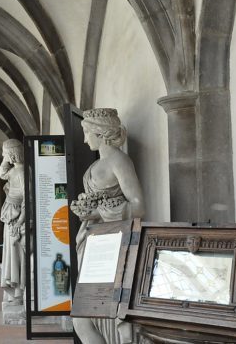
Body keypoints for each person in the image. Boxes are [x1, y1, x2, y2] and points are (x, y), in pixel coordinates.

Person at [70, 108, 144, 344]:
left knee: (98, 316)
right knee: (82, 318)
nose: (84, 139)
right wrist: (86, 212)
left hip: (112, 244)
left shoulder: (119, 161)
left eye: (86, 132)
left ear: (100, 134)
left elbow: (139, 206)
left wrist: (98, 212)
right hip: (94, 241)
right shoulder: (100, 163)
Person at [0, 139, 26, 305]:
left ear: (12, 154)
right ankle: (14, 289)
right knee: (10, 254)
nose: (3, 155)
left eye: (5, 152)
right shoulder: (15, 170)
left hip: (16, 218)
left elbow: (27, 201)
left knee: (16, 256)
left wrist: (19, 222)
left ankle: (18, 292)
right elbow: (2, 174)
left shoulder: (21, 173)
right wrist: (5, 160)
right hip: (10, 215)